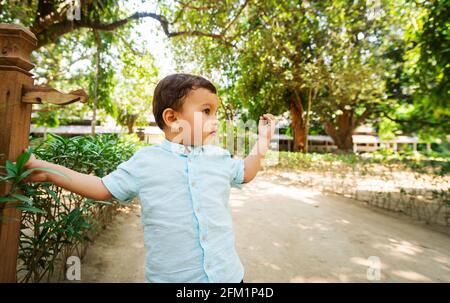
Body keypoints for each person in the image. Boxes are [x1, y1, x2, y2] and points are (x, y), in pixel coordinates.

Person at [22, 73, 276, 283]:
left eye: (216, 113)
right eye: (206, 111)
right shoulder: (146, 162)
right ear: (172, 118)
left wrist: (262, 141)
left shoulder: (219, 157)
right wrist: (47, 171)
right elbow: (102, 188)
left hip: (228, 277)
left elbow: (246, 172)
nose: (215, 121)